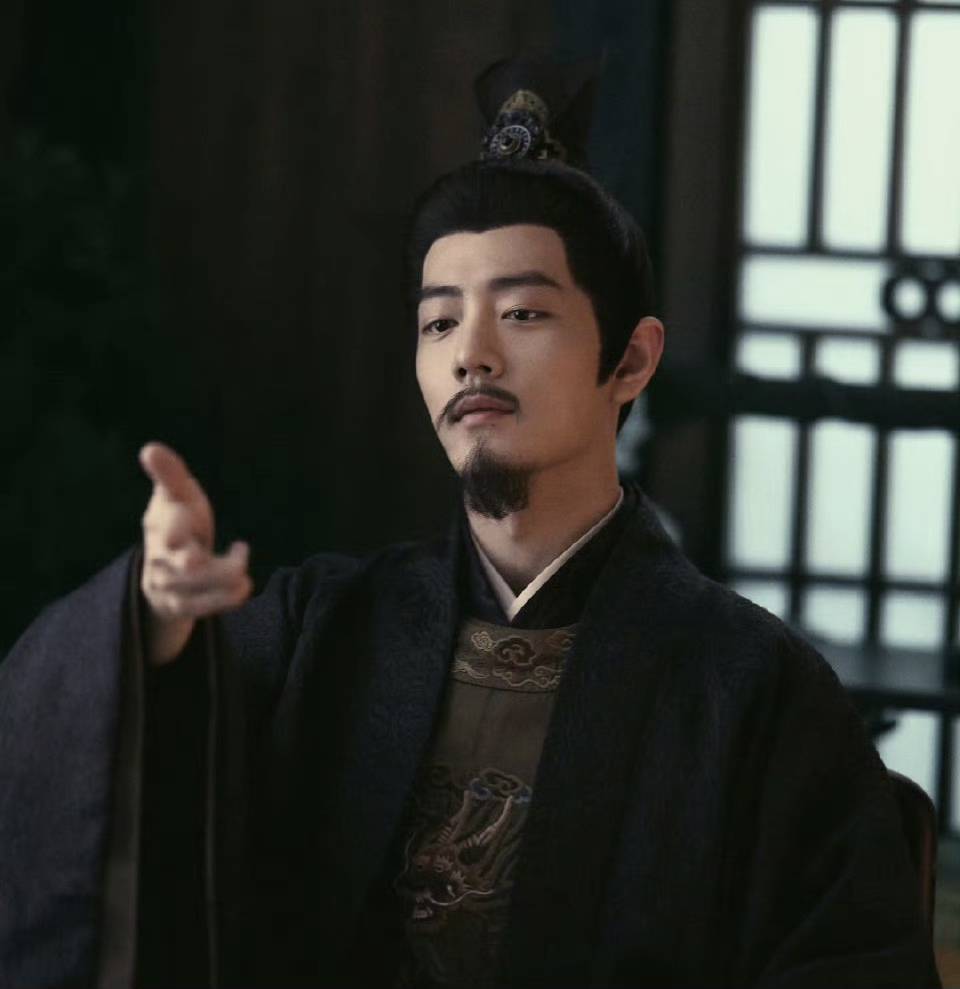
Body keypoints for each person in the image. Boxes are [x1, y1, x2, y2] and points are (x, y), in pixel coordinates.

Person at [0, 54, 941, 989]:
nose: (471, 356)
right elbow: (130, 804)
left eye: (523, 312)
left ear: (632, 361)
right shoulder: (319, 626)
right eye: (439, 322)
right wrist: (153, 626)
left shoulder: (751, 687)